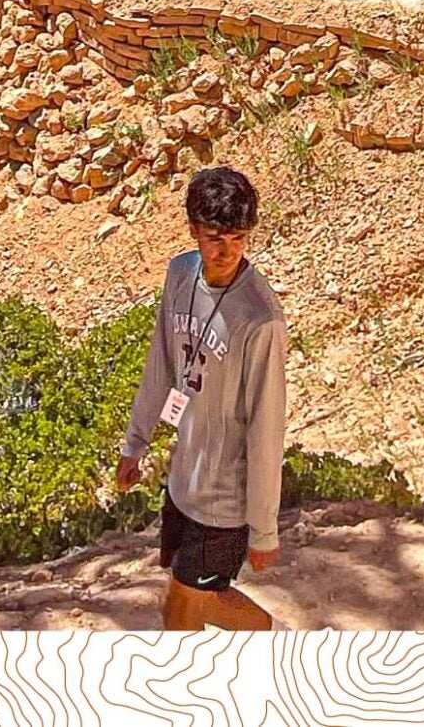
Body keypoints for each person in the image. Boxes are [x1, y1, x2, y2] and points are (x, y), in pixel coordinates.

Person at [118, 167, 292, 631]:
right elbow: (162, 361)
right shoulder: (180, 274)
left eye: (238, 238)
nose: (226, 252)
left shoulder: (260, 319)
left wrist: (263, 528)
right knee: (201, 601)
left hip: (225, 498)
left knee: (180, 608)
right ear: (193, 229)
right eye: (215, 237)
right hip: (184, 482)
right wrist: (136, 442)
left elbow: (267, 427)